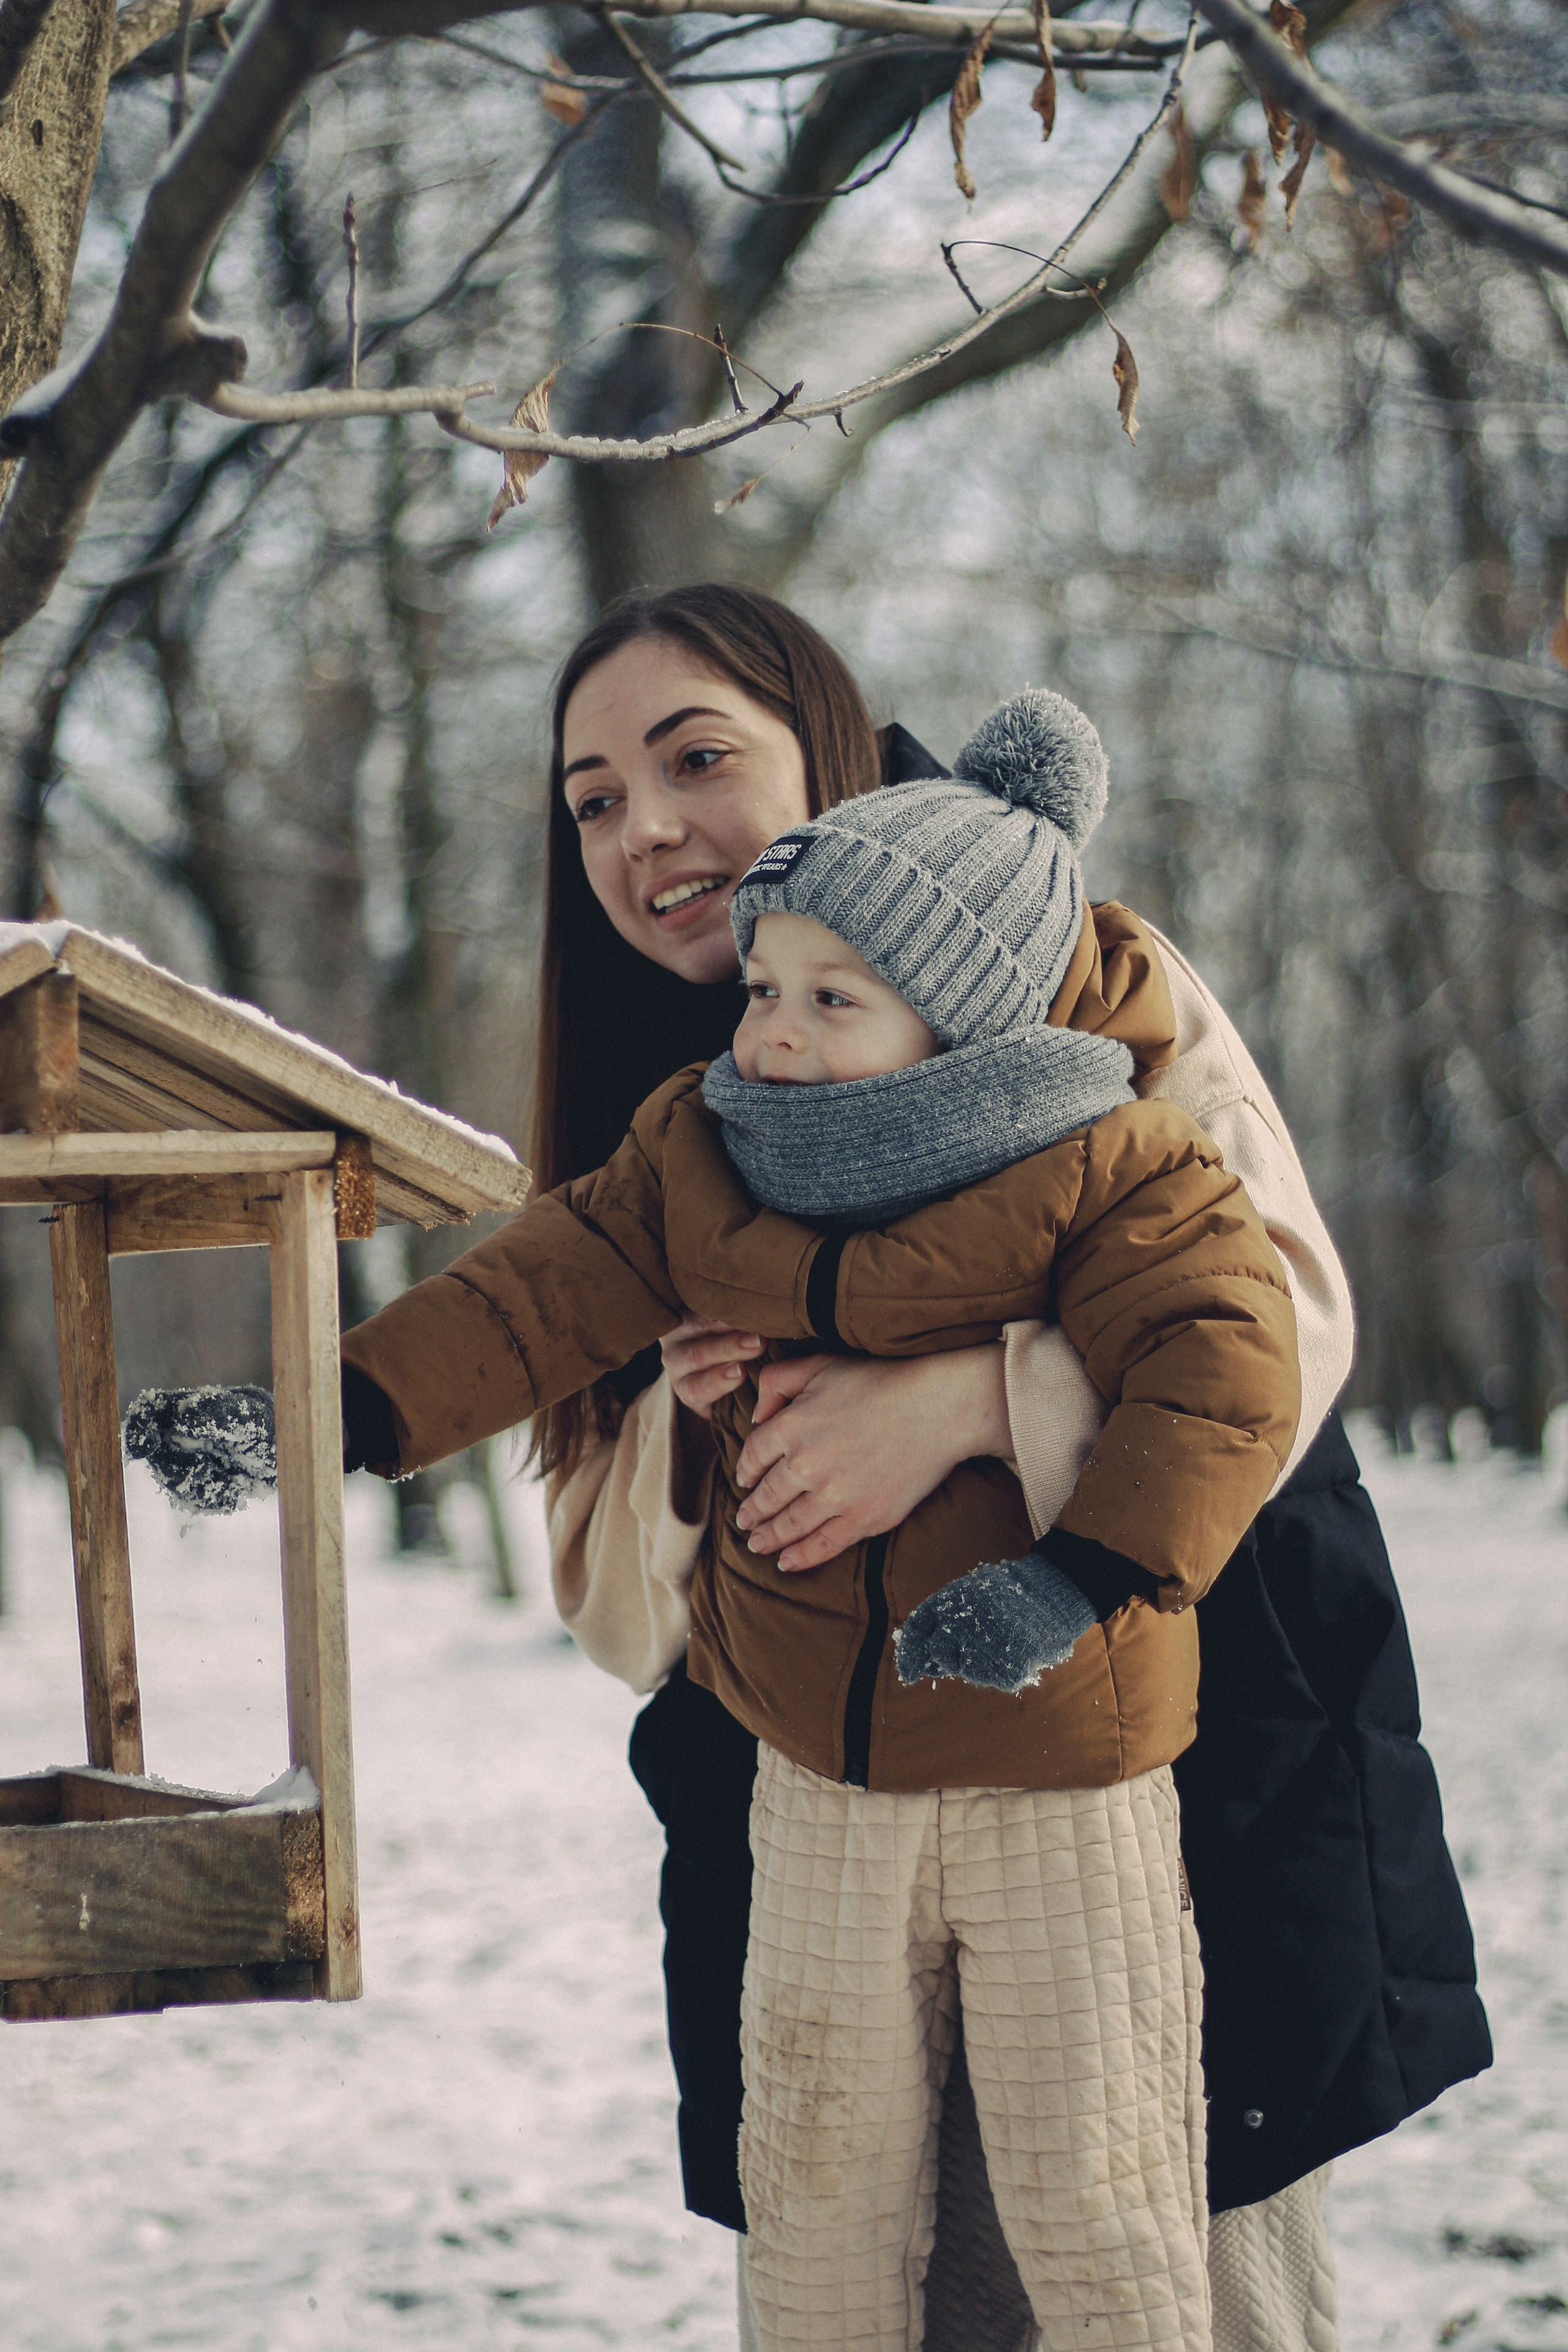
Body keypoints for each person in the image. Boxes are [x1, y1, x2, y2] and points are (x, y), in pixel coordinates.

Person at [528, 586, 1489, 2352]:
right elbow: (608, 1605)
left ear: (825, 746)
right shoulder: (638, 1116)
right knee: (894, 2298)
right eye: (593, 800)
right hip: (825, 1862)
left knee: (1170, 2292)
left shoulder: (1075, 973)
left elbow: (1281, 1324)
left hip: (1172, 1799)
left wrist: (971, 1402)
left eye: (695, 760)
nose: (644, 828)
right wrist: (702, 1418)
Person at [336, 683, 1302, 2348]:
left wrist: (1080, 1573)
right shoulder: (702, 1149)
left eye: (831, 998)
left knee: (1097, 2199)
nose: (773, 1033)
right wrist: (348, 1406)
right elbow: (534, 1293)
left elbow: (1224, 1372)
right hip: (813, 1778)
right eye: (766, 988)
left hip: (1058, 1765)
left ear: (961, 1019)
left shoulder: (1117, 1163)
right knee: (818, 2192)